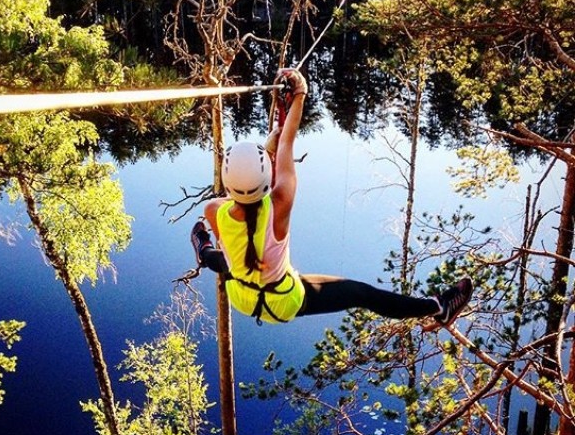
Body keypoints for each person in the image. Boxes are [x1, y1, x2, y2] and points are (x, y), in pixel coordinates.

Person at [190, 68, 473, 326]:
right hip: (283, 302)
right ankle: (439, 307)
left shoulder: (214, 210)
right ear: (265, 180)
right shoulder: (280, 202)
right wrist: (299, 94)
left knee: (229, 257)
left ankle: (203, 250)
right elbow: (287, 142)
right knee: (362, 294)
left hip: (242, 296)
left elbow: (241, 206)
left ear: (229, 184)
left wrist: (270, 149)